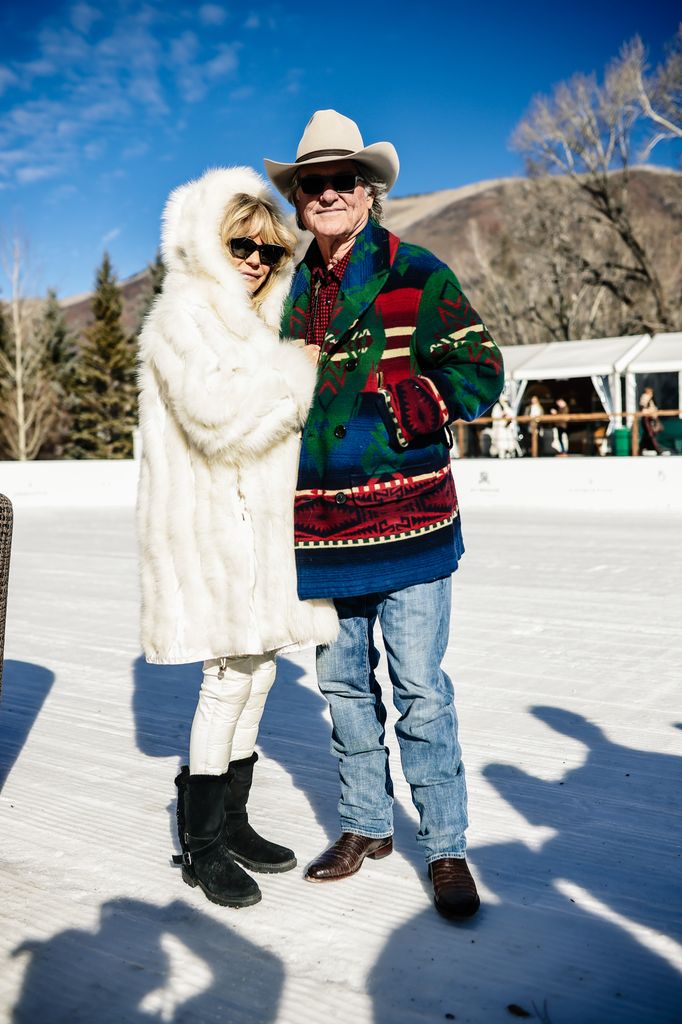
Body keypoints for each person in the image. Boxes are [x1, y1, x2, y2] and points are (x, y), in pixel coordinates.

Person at [264, 110, 504, 920]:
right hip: (320, 534)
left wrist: (408, 405)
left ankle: (446, 846)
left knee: (419, 691)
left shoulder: (418, 272)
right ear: (299, 201)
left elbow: (482, 369)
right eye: (312, 184)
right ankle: (367, 826)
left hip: (411, 524)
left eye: (341, 180)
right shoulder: (285, 292)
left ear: (367, 192)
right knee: (341, 688)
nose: (327, 193)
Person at [137, 166, 338, 909]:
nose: (256, 262)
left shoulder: (254, 322)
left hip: (255, 528)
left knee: (258, 673)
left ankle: (236, 821)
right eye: (241, 247)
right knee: (226, 681)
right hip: (210, 532)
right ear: (206, 246)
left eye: (270, 252)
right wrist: (295, 378)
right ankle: (201, 845)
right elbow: (218, 419)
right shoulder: (182, 318)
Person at [639, 386, 666, 455]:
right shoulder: (645, 397)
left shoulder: (649, 399)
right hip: (646, 418)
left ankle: (640, 450)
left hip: (649, 418)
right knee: (650, 434)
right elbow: (642, 407)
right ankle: (658, 450)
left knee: (646, 435)